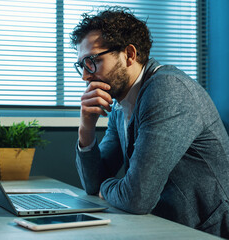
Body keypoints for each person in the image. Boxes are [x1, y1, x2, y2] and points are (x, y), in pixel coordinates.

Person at [71, 6, 229, 238]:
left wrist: (107, 186)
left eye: (92, 61)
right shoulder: (119, 105)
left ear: (129, 54)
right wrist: (86, 128)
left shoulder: (167, 90)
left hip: (208, 232)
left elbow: (136, 198)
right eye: (81, 65)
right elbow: (94, 183)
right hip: (167, 228)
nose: (85, 75)